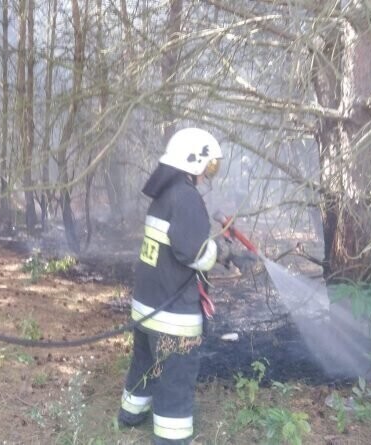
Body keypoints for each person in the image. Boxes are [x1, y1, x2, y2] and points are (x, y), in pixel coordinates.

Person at [117, 127, 224, 444]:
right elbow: (194, 252)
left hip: (147, 307)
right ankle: (171, 438)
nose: (207, 174)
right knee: (175, 380)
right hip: (173, 318)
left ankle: (131, 414)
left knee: (145, 364)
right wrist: (223, 253)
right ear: (195, 162)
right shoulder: (186, 197)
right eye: (208, 166)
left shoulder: (165, 195)